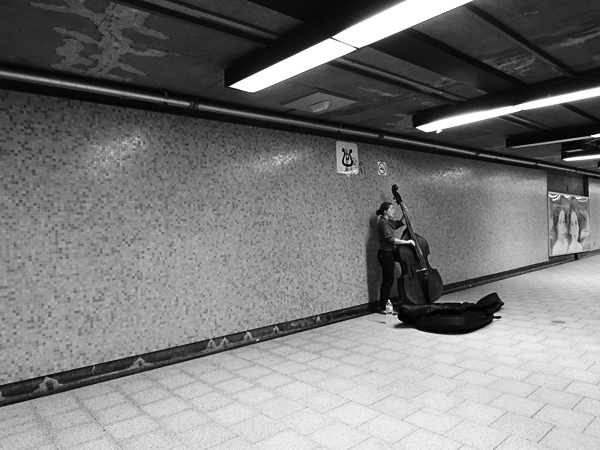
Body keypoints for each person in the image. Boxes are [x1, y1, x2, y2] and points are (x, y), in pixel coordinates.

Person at [376, 202, 415, 313]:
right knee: (388, 281)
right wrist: (407, 242)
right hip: (386, 254)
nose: (393, 211)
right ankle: (383, 307)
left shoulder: (388, 222)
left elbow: (400, 223)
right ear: (385, 211)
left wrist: (404, 212)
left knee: (388, 280)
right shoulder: (383, 223)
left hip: (389, 254)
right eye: (391, 209)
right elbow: (390, 239)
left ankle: (384, 306)